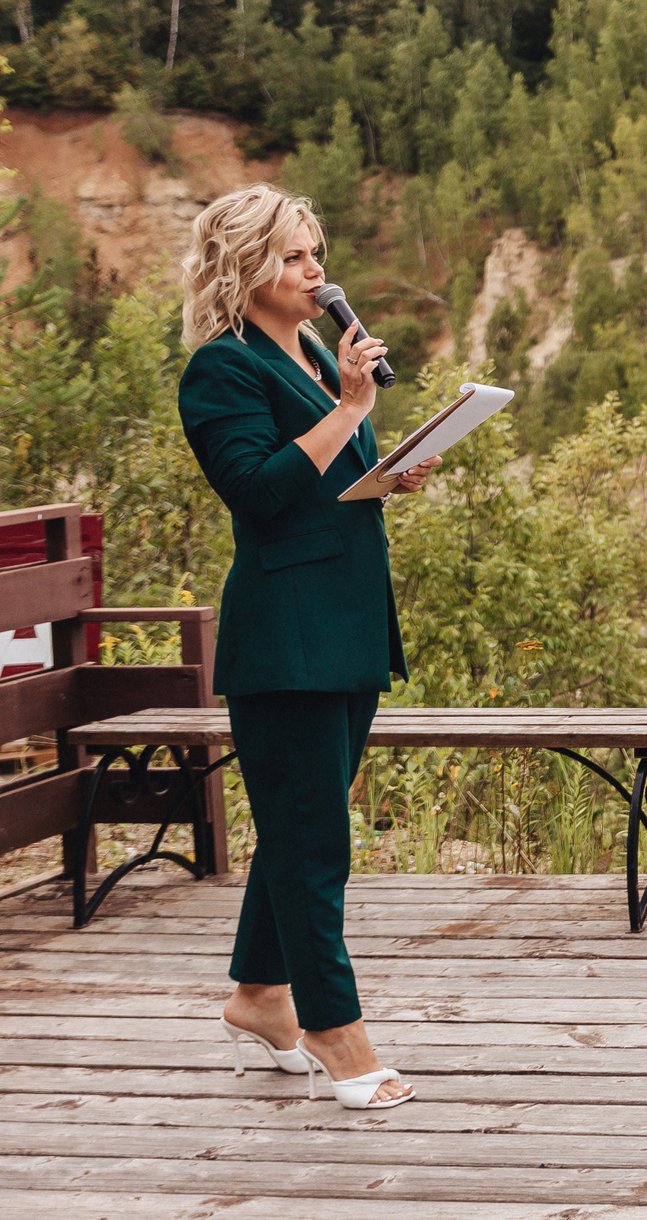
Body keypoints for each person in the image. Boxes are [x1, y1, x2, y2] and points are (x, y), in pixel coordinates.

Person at [177, 183, 439, 1109]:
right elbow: (257, 492)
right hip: (285, 639)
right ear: (245, 267)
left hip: (350, 620)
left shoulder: (317, 356)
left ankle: (257, 995)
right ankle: (334, 1028)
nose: (317, 270)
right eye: (294, 256)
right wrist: (348, 405)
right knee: (315, 839)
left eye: (315, 251)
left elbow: (326, 481)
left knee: (301, 826)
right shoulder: (222, 369)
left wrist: (388, 472)